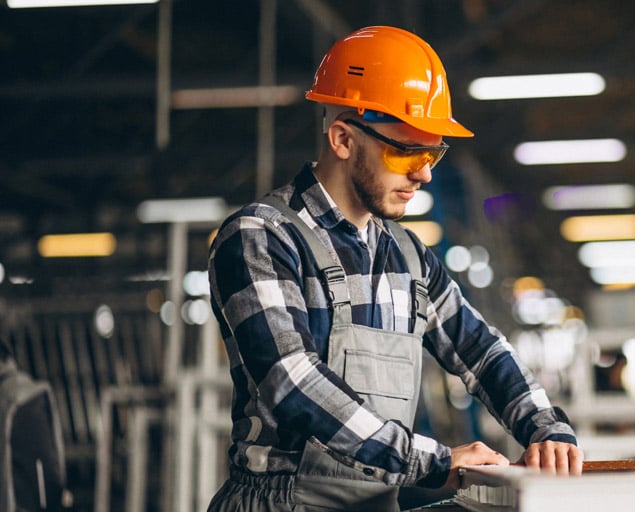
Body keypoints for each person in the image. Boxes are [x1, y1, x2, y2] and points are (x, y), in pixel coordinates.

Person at [206, 25, 583, 511]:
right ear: (342, 139)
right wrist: (435, 460)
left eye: (431, 153)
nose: (424, 173)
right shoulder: (263, 237)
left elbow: (481, 350)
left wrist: (546, 427)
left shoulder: (408, 256)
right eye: (404, 150)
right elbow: (292, 382)